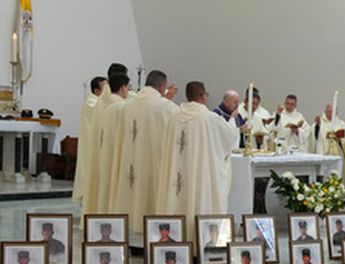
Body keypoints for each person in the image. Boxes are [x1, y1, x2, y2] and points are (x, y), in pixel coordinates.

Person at [155, 81, 238, 241]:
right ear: (202, 96)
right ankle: (199, 243)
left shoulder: (174, 116)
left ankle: (176, 241)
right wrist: (232, 121)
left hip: (177, 175)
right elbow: (229, 140)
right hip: (199, 177)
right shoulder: (210, 118)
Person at [111, 70, 178, 231]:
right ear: (162, 88)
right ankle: (150, 233)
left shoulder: (127, 105)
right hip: (153, 164)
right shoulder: (167, 108)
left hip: (131, 162)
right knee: (151, 196)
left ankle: (129, 232)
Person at [84, 71, 130, 214]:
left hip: (104, 154)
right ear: (123, 88)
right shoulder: (122, 108)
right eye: (128, 87)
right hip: (118, 155)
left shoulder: (104, 107)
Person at [73, 76, 107, 206]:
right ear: (97, 91)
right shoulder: (91, 104)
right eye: (105, 87)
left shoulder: (98, 103)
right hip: (90, 148)